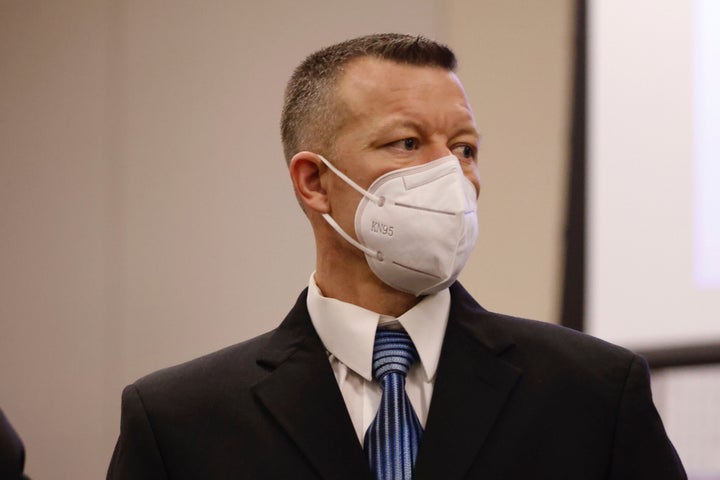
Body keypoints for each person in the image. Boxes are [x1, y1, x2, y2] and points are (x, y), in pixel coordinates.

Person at [107, 33, 685, 479]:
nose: (450, 173)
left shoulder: (594, 392)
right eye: (407, 143)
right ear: (313, 182)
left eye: (464, 148)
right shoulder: (179, 421)